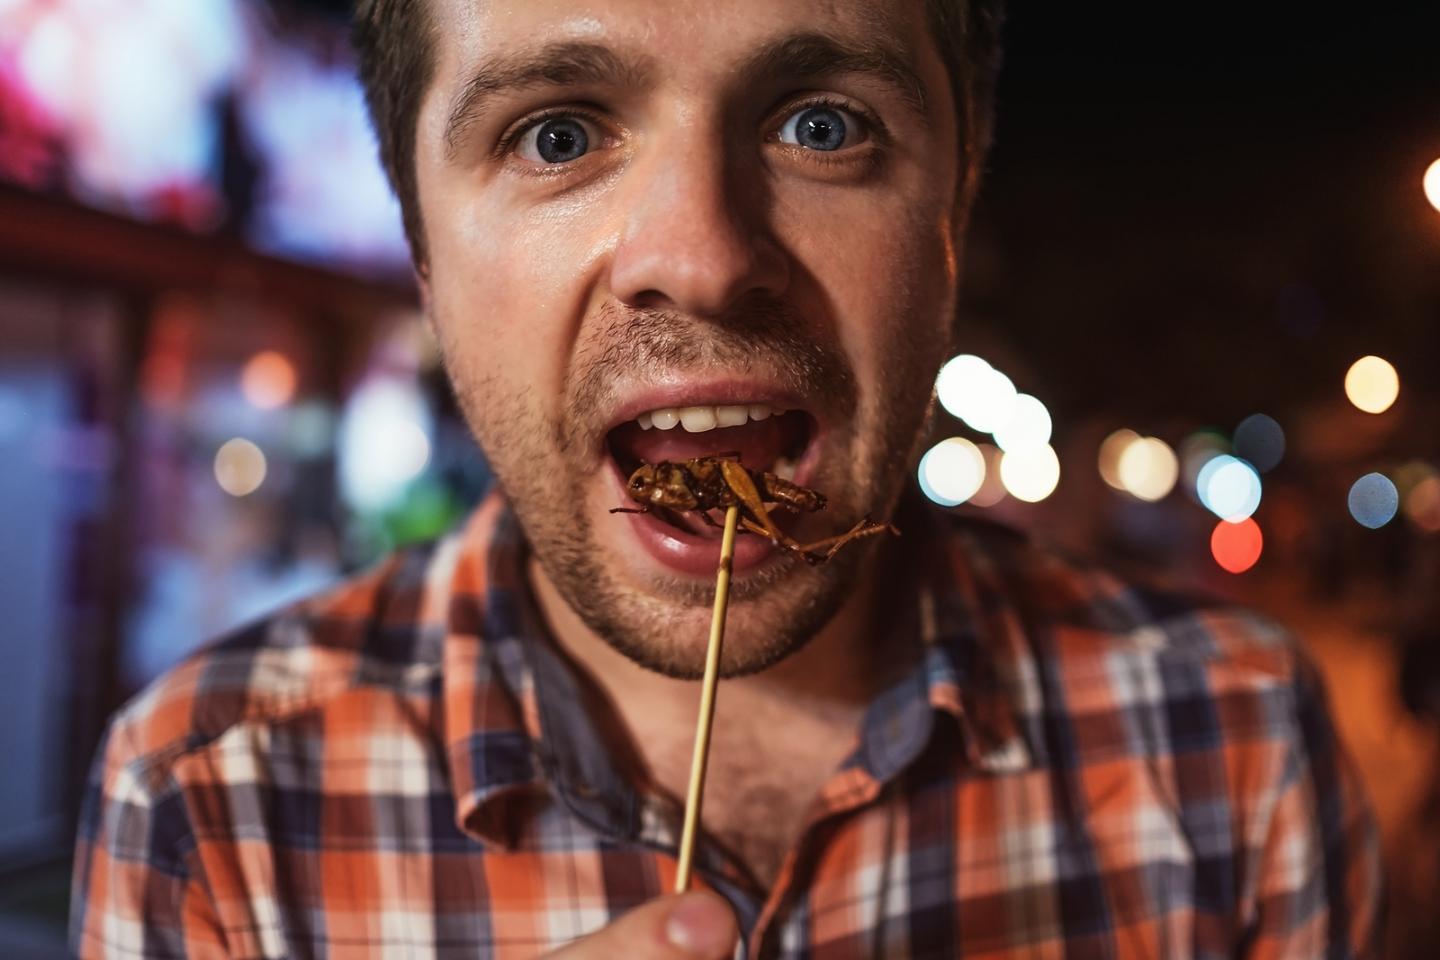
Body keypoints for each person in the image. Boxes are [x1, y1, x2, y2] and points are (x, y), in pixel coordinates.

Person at [69, 0, 1383, 957]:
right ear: (422, 250)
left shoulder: (1234, 739)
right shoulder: (209, 800)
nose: (699, 257)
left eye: (823, 124)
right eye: (556, 134)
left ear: (957, 208)